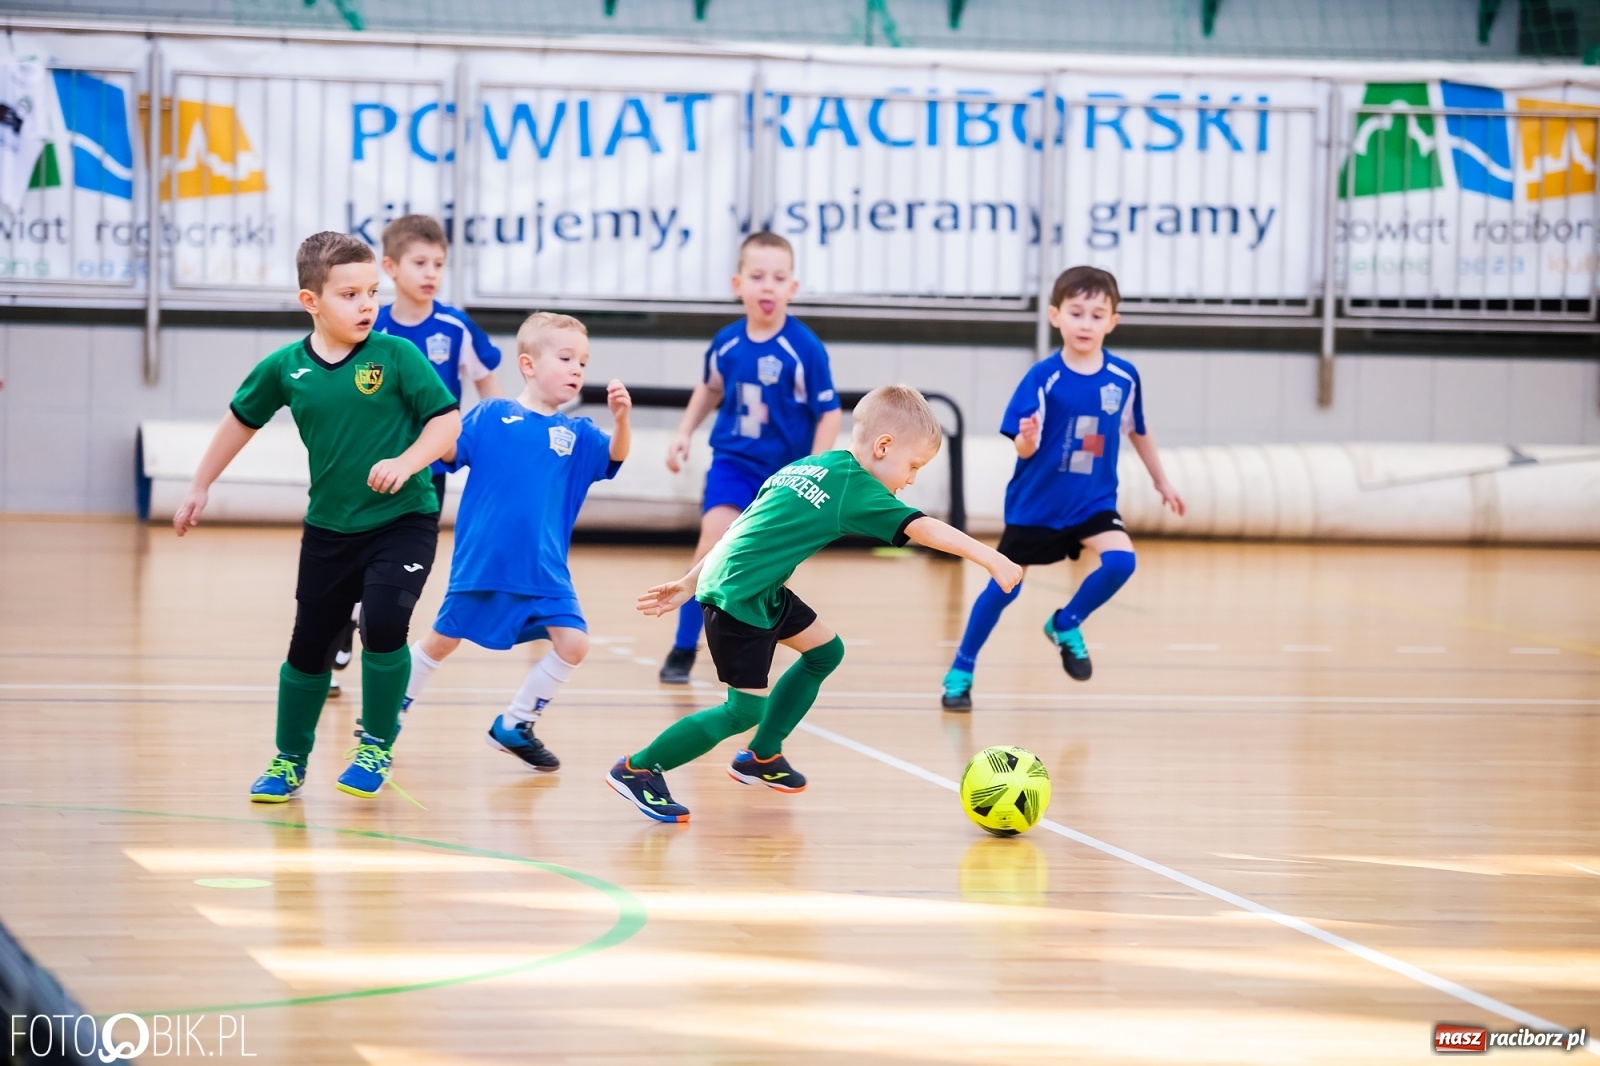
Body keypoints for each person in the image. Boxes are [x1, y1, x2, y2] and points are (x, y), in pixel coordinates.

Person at [610, 385, 1022, 823]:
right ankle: (638, 768)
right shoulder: (857, 487)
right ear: (884, 447)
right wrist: (992, 557)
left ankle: (762, 757)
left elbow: (743, 524)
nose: (911, 480)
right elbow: (924, 530)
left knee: (826, 651)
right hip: (739, 597)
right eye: (914, 466)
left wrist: (692, 579)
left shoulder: (812, 465)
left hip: (753, 585)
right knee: (743, 709)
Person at [173, 230, 460, 802]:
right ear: (312, 302)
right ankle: (288, 759)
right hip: (330, 527)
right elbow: (240, 420)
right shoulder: (286, 368)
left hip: (403, 518)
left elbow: (447, 424)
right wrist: (200, 485)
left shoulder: (397, 356)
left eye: (371, 293)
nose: (366, 305)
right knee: (309, 644)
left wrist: (406, 463)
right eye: (349, 295)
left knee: (382, 623)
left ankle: (375, 743)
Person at [940, 266, 1185, 712]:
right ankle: (961, 668)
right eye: (1076, 313)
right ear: (1055, 316)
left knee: (1121, 562)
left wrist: (1161, 480)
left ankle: (1066, 622)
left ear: (1112, 321)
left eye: (1097, 314)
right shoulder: (1043, 377)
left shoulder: (1124, 377)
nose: (1086, 323)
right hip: (1036, 506)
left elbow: (1138, 430)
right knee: (1005, 586)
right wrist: (1028, 439)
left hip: (1092, 501)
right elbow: (1022, 441)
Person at [400, 313, 631, 771]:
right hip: (483, 564)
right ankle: (385, 716)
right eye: (565, 358)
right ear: (527, 365)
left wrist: (622, 420)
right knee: (440, 643)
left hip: (545, 571)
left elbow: (614, 456)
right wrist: (421, 419)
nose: (576, 370)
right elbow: (447, 450)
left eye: (582, 362)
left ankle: (515, 722)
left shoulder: (579, 433)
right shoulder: (490, 416)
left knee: (574, 644)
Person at [326, 215, 504, 698]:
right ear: (390, 267)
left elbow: (488, 391)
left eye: (439, 264)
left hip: (429, 466)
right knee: (354, 553)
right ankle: (342, 621)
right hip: (369, 463)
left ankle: (362, 622)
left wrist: (497, 439)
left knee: (396, 560)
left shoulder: (454, 326)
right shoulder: (369, 324)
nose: (431, 273)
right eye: (420, 262)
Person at [657, 231, 841, 685]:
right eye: (757, 276)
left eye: (778, 277)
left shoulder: (804, 348)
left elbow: (829, 412)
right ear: (737, 283)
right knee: (713, 545)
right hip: (733, 465)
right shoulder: (726, 343)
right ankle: (683, 646)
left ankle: (757, 647)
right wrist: (684, 432)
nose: (767, 286)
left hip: (784, 480)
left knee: (763, 566)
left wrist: (815, 468)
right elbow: (711, 388)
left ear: (792, 289)